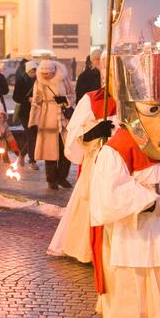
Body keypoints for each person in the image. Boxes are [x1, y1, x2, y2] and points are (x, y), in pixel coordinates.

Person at [89, 43, 160, 318]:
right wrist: (150, 202)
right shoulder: (119, 148)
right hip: (132, 231)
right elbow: (109, 195)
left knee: (155, 283)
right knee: (131, 285)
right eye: (154, 109)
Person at [48, 84, 116, 263]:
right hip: (97, 159)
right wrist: (96, 131)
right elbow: (77, 131)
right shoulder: (91, 99)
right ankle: (87, 249)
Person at [29, 60, 74, 189]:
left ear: (54, 71)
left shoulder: (63, 79)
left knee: (66, 149)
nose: (45, 76)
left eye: (48, 73)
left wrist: (65, 100)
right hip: (47, 118)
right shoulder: (39, 82)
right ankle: (51, 180)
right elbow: (36, 102)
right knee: (49, 151)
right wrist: (32, 121)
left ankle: (62, 177)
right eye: (43, 73)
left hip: (63, 118)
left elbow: (72, 95)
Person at [13, 60, 38, 169]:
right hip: (24, 112)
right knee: (31, 135)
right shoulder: (21, 81)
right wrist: (27, 99)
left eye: (35, 71)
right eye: (32, 71)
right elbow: (15, 97)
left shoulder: (38, 81)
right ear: (27, 71)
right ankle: (32, 161)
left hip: (36, 112)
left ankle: (22, 154)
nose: (33, 73)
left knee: (34, 136)